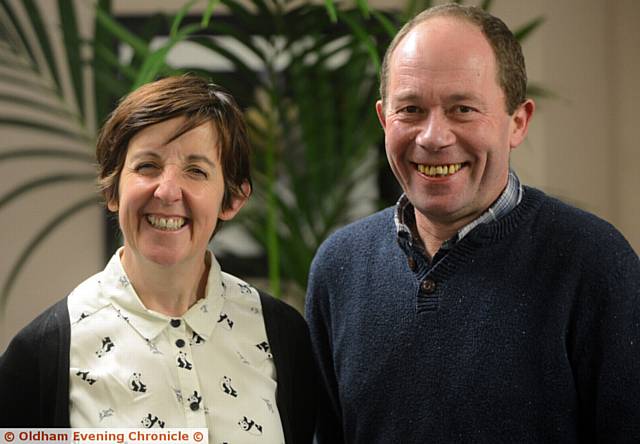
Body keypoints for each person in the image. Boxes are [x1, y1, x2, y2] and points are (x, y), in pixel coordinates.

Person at [305, 4, 640, 443]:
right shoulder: (339, 266)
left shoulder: (594, 262)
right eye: (411, 110)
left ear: (517, 122)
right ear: (384, 118)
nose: (433, 137)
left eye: (462, 109)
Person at [0, 75, 316, 443]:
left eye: (196, 171)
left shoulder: (282, 335)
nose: (167, 191)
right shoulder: (46, 350)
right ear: (112, 188)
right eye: (147, 166)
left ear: (232, 199)